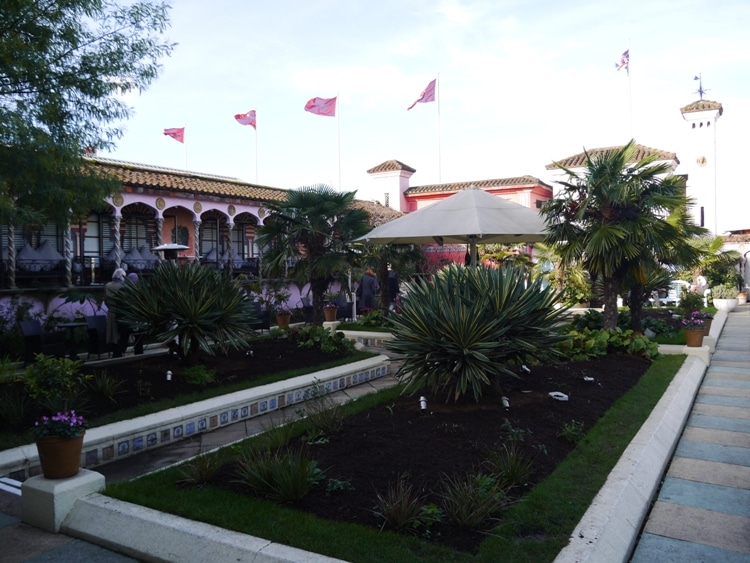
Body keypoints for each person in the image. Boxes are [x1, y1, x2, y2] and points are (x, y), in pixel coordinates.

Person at [105, 268, 130, 357]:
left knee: (113, 333)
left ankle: (116, 351)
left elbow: (106, 300)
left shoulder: (108, 286)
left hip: (111, 311)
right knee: (121, 334)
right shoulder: (123, 287)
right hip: (121, 313)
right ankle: (119, 352)